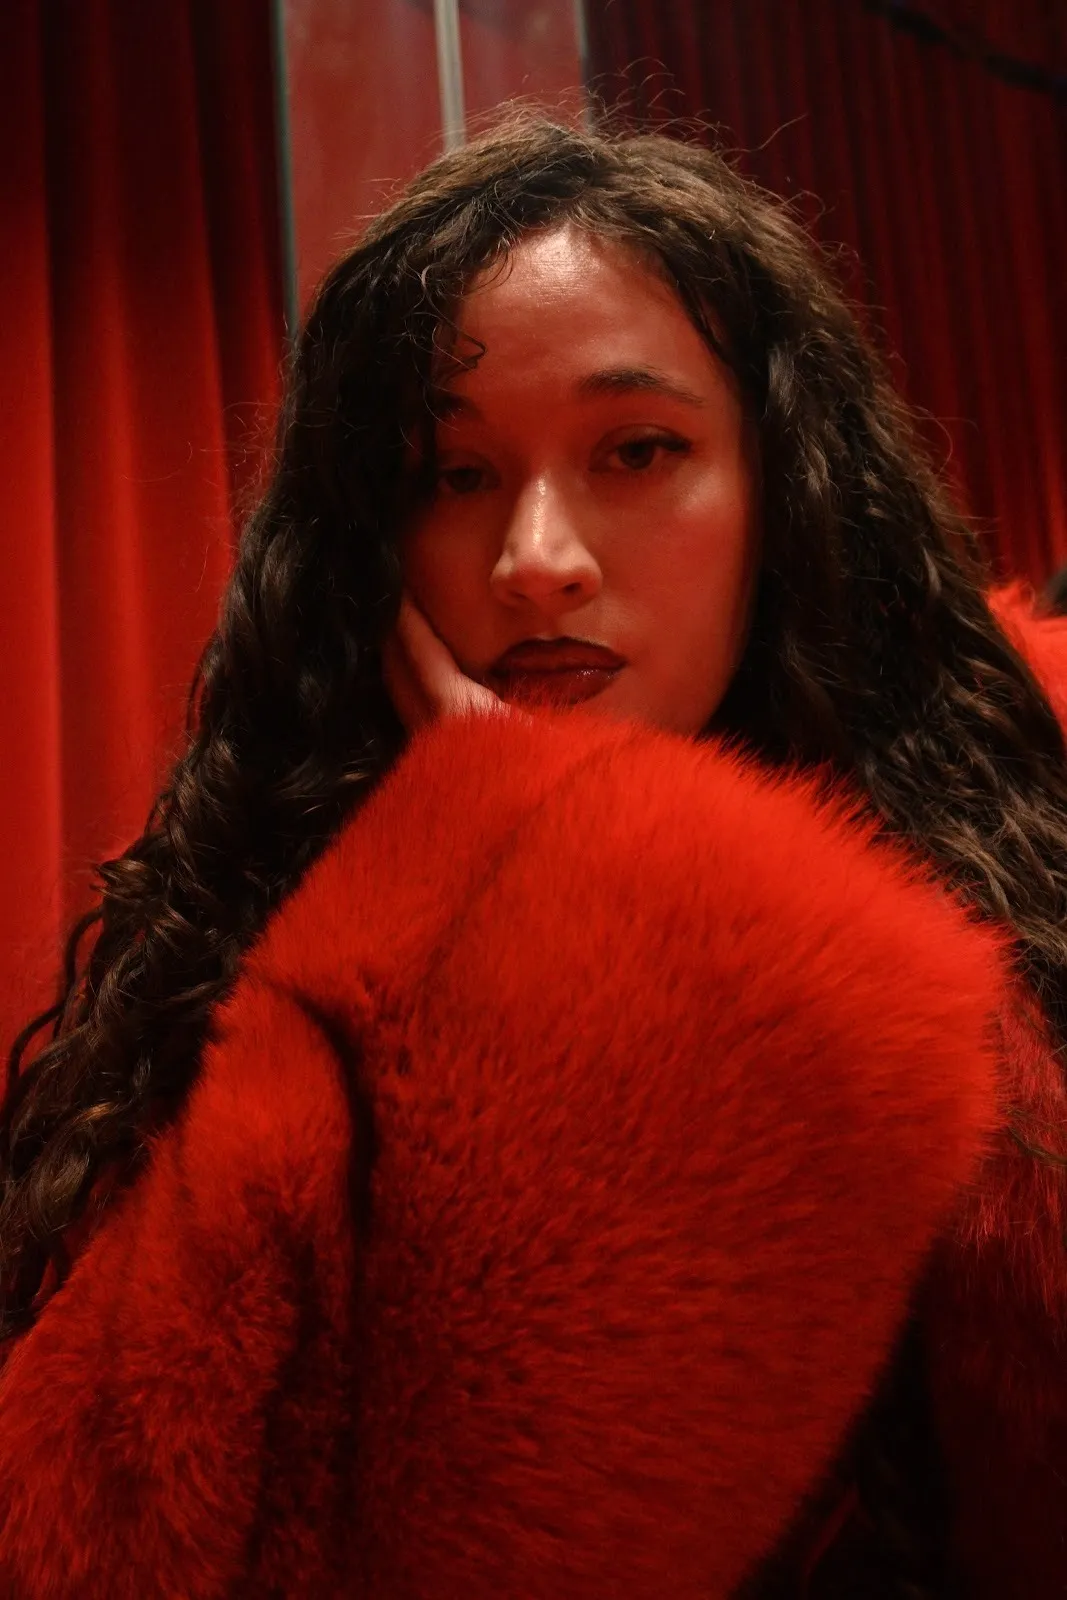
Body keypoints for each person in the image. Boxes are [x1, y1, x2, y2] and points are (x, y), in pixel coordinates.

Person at [1, 112, 1066, 1599]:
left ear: (785, 491)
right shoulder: (251, 947)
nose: (536, 560)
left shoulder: (1019, 880)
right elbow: (109, 1543)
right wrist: (522, 886)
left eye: (638, 450)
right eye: (452, 474)